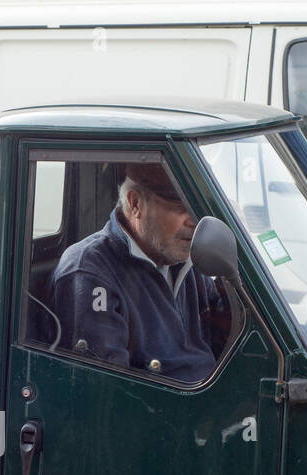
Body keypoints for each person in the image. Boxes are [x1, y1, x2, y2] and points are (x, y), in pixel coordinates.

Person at [48, 163, 229, 382]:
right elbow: (108, 386)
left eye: (197, 207)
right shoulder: (90, 271)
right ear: (135, 204)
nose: (194, 221)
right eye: (179, 207)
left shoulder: (183, 255)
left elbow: (224, 328)